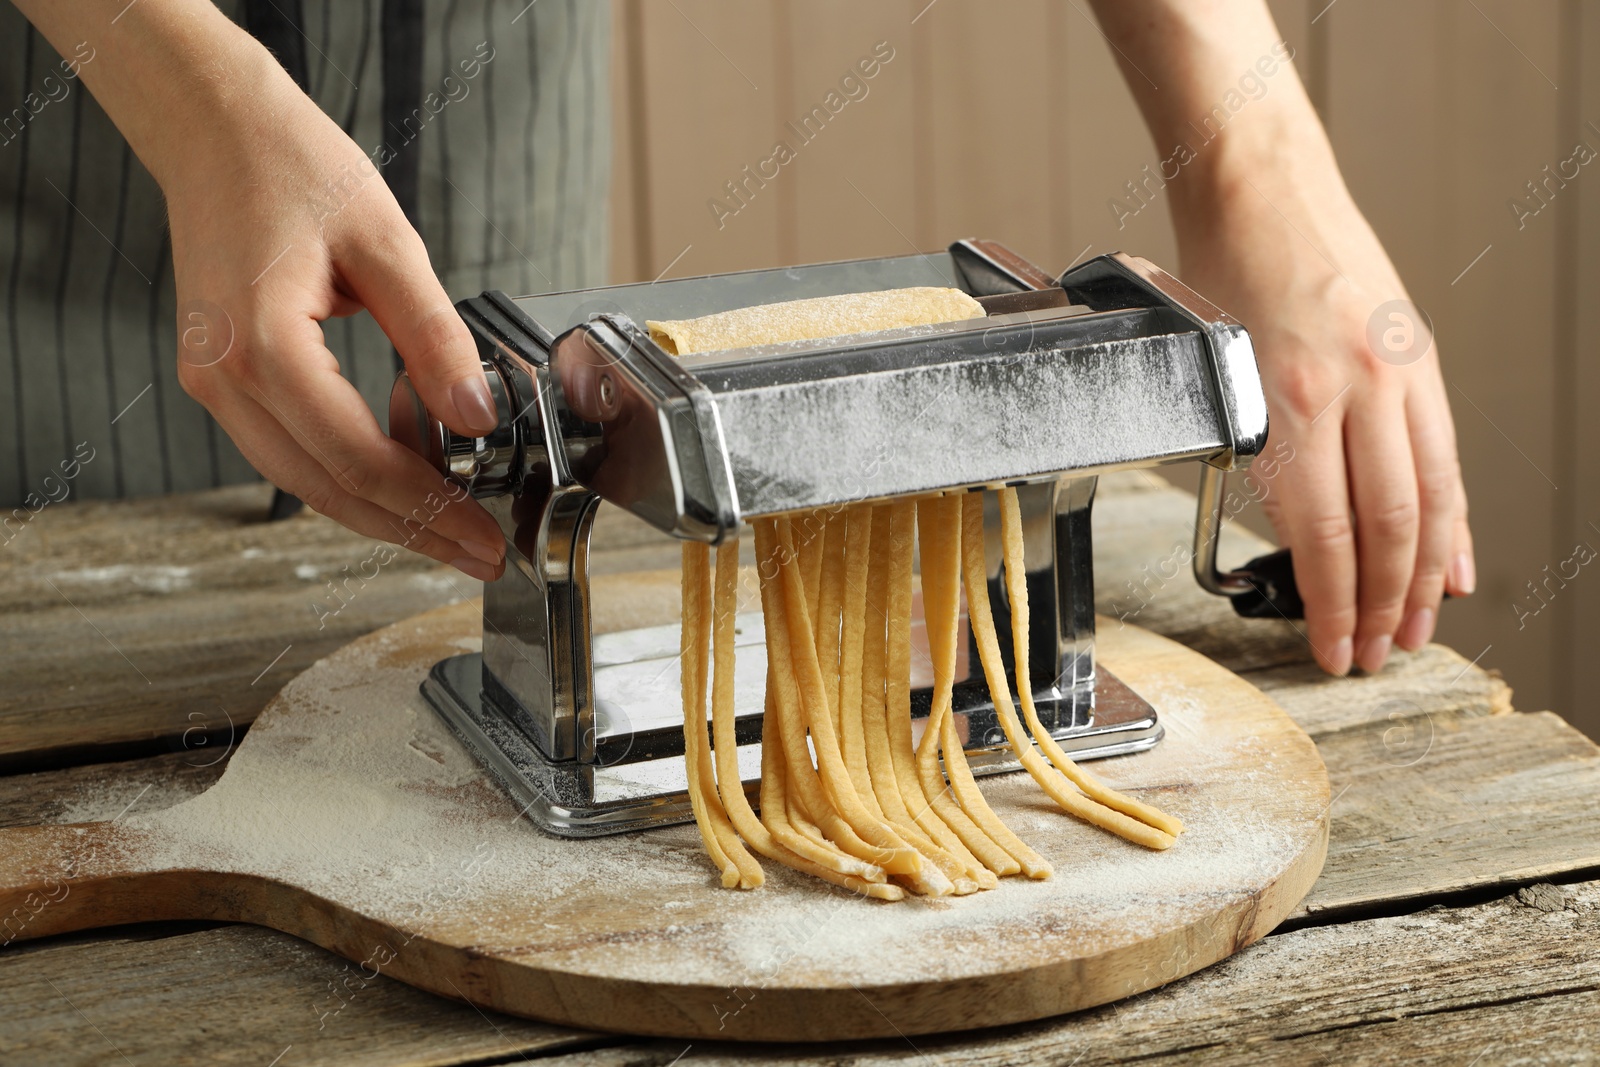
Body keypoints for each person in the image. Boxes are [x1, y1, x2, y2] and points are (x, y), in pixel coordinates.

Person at [4, 0, 1472, 677]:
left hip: (465, 61)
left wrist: (1250, 148)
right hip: (55, 146)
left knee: (494, 445)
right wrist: (174, 74)